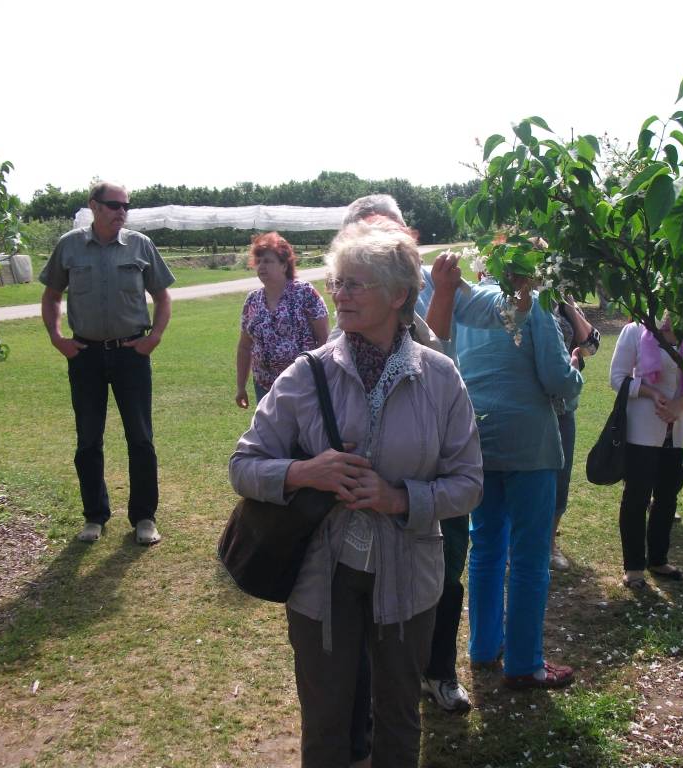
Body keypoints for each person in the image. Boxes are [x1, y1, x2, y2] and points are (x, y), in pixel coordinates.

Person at [229, 222, 482, 767]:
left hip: (409, 575)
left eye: (355, 284)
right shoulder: (307, 374)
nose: (340, 295)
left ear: (398, 295)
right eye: (337, 282)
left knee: (399, 721)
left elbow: (469, 483)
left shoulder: (441, 378)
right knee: (325, 725)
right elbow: (243, 466)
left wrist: (401, 499)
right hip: (320, 578)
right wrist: (305, 472)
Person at [342, 194, 529, 714]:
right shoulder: (353, 292)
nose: (386, 242)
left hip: (437, 448)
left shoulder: (429, 278)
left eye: (394, 231)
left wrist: (524, 280)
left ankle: (439, 671)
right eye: (371, 233)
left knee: (446, 567)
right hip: (373, 462)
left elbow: (505, 317)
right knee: (365, 578)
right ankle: (371, 689)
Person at [456, 277, 583, 690]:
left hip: (478, 436)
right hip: (528, 443)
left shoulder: (466, 302)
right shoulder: (534, 304)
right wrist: (576, 371)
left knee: (485, 546)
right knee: (529, 555)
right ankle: (525, 662)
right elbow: (557, 378)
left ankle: (483, 645)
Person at [39, 182, 174, 545]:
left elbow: (162, 297)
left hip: (131, 354)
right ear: (94, 206)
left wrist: (154, 337)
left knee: (141, 438)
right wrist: (57, 338)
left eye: (126, 206)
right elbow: (51, 295)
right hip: (85, 355)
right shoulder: (69, 246)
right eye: (114, 205)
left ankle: (144, 517)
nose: (121, 212)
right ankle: (94, 516)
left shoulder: (140, 245)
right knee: (88, 439)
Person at [609, 312, 683, 589]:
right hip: (641, 430)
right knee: (636, 497)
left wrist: (681, 404)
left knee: (667, 497)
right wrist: (651, 393)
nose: (667, 314)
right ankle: (633, 567)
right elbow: (617, 378)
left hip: (680, 431)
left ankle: (658, 559)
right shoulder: (634, 331)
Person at [234, 232, 329, 407]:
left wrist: (323, 379)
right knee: (269, 425)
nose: (261, 266)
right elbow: (245, 346)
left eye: (268, 261)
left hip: (303, 384)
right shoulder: (252, 300)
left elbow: (324, 339)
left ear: (284, 265)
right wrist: (241, 386)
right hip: (264, 386)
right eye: (258, 261)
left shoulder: (305, 293)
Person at [550, 298, 600, 571]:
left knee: (561, 474)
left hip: (564, 407)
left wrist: (569, 306)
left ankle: (549, 544)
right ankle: (515, 542)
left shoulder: (562, 304)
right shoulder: (517, 301)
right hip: (532, 405)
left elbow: (591, 346)